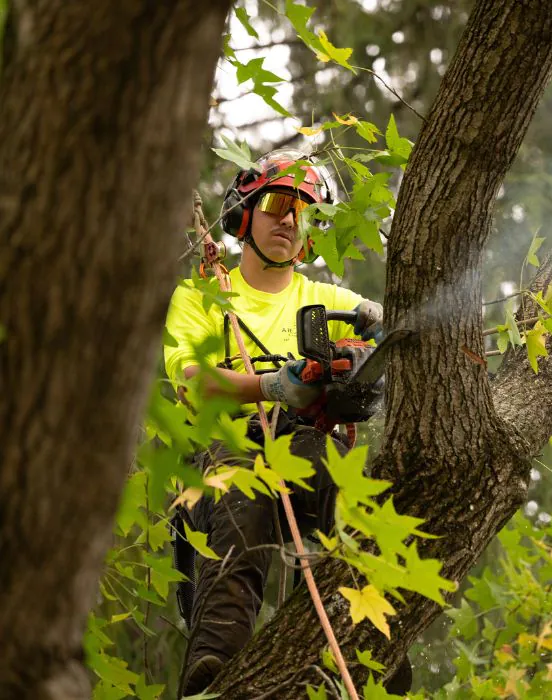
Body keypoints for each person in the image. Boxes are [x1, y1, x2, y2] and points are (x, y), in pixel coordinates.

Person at [164, 149, 383, 696]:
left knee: (354, 492)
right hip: (225, 447)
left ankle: (374, 637)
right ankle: (218, 664)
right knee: (243, 496)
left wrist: (370, 340)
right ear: (245, 216)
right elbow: (191, 380)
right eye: (278, 204)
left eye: (302, 211)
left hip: (303, 442)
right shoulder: (202, 296)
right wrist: (269, 386)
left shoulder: (327, 300)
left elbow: (383, 329)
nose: (289, 219)